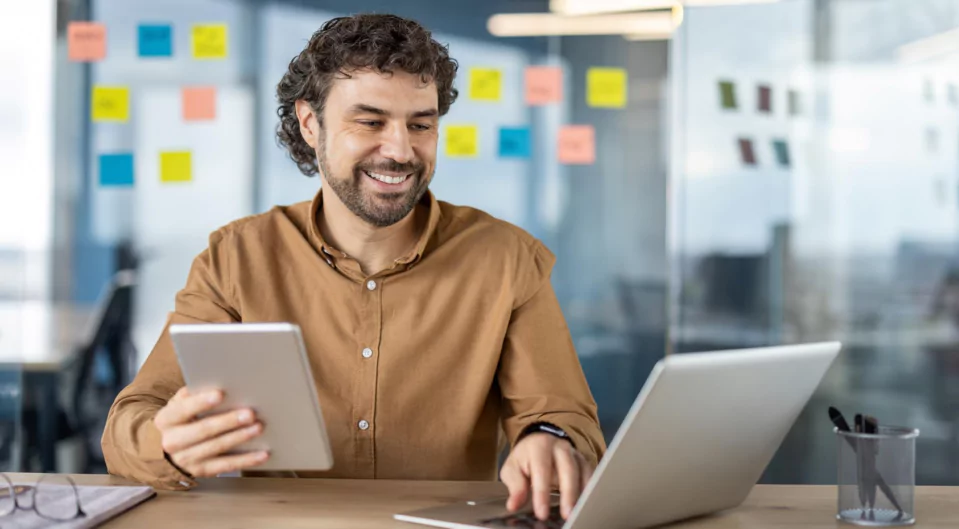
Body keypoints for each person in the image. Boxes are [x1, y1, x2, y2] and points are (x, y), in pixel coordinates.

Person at [101, 13, 605, 521]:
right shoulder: (237, 258)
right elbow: (131, 421)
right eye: (370, 122)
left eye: (421, 124)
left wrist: (549, 440)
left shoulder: (506, 257)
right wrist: (166, 443)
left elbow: (565, 417)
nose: (401, 150)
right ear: (309, 123)